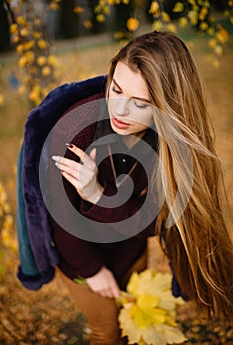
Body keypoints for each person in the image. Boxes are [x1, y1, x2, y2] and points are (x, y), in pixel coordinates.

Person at [18, 31, 233, 345]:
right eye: (115, 89)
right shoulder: (73, 130)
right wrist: (92, 271)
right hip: (76, 254)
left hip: (129, 250)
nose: (119, 110)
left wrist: (95, 194)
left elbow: (153, 223)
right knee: (107, 331)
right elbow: (58, 219)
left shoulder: (167, 146)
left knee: (137, 330)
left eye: (140, 103)